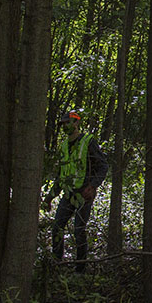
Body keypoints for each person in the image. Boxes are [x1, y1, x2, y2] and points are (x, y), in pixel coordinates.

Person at [44, 110, 109, 274]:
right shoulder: (64, 145)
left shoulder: (88, 142)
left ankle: (80, 269)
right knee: (57, 227)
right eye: (63, 123)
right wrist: (49, 197)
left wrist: (93, 186)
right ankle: (56, 264)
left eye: (68, 122)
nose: (65, 126)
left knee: (79, 230)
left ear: (76, 123)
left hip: (84, 194)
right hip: (68, 194)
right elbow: (61, 175)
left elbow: (103, 165)